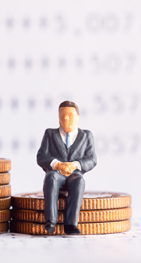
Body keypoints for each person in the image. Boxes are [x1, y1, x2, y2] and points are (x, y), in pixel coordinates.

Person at [36, 101, 97, 235]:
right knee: (50, 177)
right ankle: (50, 221)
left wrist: (75, 164)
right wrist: (56, 164)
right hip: (57, 172)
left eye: (70, 115)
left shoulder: (86, 136)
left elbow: (92, 159)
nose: (65, 119)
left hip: (75, 173)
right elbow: (41, 156)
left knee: (79, 182)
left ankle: (70, 224)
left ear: (78, 117)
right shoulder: (50, 134)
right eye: (62, 115)